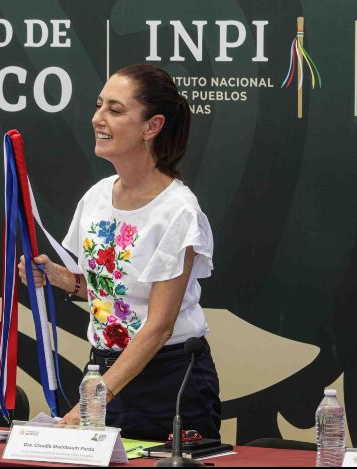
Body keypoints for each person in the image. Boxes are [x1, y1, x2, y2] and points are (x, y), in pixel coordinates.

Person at [19, 64, 220, 440]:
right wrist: (60, 278)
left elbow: (158, 326)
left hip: (167, 383)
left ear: (151, 126)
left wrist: (96, 397)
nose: (97, 118)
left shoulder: (177, 211)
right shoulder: (96, 196)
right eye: (98, 106)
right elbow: (106, 290)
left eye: (115, 109)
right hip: (103, 372)